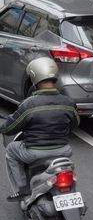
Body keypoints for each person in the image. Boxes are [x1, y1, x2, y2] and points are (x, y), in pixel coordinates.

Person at [1, 57, 79, 201]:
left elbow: (10, 128)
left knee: (11, 150)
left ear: (34, 78)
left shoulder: (28, 104)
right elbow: (74, 124)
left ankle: (22, 189)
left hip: (34, 152)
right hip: (63, 150)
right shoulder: (69, 102)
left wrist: (3, 127)